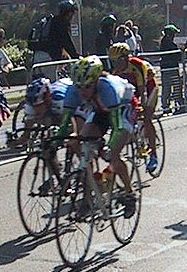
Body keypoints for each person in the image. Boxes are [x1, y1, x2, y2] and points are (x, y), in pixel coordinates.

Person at [54, 56, 137, 218]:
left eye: (87, 87)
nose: (82, 92)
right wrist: (57, 140)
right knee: (81, 142)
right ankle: (88, 198)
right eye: (79, 87)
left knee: (113, 154)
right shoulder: (74, 90)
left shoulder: (107, 88)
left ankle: (129, 193)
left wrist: (109, 146)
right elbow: (65, 122)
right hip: (101, 110)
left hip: (122, 109)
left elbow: (117, 126)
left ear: (96, 81)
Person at [108, 42, 160, 173]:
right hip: (133, 88)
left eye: (117, 60)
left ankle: (153, 154)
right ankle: (137, 138)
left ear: (125, 58)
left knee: (146, 118)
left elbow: (142, 91)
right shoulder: (116, 72)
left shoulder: (136, 64)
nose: (115, 64)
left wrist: (142, 107)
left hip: (149, 86)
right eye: (112, 61)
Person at [158, 24, 185, 113]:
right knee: (176, 86)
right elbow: (177, 56)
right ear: (170, 34)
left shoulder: (163, 43)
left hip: (165, 68)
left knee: (166, 88)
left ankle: (166, 107)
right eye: (174, 34)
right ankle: (179, 105)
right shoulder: (170, 44)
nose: (174, 36)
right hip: (171, 68)